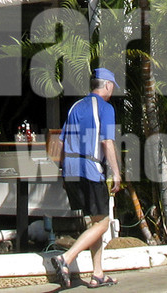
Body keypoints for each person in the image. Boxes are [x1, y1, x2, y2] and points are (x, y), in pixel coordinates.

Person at [50, 67, 122, 289]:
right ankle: (67, 258)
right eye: (112, 87)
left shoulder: (74, 106)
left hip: (70, 168)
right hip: (90, 167)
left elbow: (59, 144)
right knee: (103, 223)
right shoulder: (105, 108)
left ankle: (97, 274)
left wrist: (62, 169)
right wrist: (117, 173)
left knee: (95, 221)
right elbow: (107, 142)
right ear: (107, 86)